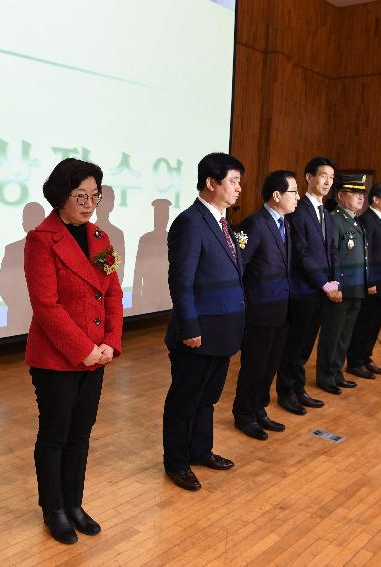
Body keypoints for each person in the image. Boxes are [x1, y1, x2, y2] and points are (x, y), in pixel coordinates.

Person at [23, 158, 124, 544]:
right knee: (55, 436)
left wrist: (110, 344)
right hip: (57, 360)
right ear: (60, 194)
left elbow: (112, 293)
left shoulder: (101, 238)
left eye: (94, 195)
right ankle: (54, 510)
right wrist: (83, 350)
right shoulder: (41, 239)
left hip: (96, 355)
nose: (88, 203)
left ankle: (74, 502)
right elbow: (45, 306)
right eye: (80, 195)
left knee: (81, 435)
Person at [162, 152, 246, 492]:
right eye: (233, 181)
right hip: (198, 332)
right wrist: (190, 328)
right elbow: (181, 281)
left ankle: (200, 450)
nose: (239, 188)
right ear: (211, 183)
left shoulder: (224, 223)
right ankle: (176, 463)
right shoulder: (190, 222)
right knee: (185, 399)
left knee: (208, 397)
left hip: (224, 330)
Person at [232, 171, 299, 441]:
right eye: (294, 191)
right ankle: (244, 413)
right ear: (276, 195)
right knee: (254, 366)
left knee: (270, 365)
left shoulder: (286, 223)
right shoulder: (254, 224)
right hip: (259, 310)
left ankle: (260, 409)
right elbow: (240, 267)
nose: (298, 197)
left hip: (281, 308)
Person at [275, 157, 340, 416]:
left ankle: (299, 389)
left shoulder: (326, 212)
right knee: (293, 344)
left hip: (322, 290)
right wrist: (322, 282)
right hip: (303, 290)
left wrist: (335, 281)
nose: (327, 182)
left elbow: (333, 250)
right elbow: (301, 253)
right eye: (323, 175)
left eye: (332, 178)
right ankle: (286, 392)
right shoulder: (297, 210)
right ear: (309, 177)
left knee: (306, 345)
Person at [316, 174, 371, 395]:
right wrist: (334, 286)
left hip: (355, 287)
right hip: (340, 289)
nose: (360, 197)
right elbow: (331, 257)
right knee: (332, 334)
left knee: (344, 335)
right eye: (355, 193)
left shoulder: (355, 219)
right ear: (340, 196)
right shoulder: (334, 220)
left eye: (362, 194)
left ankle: (337, 372)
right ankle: (326, 376)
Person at [347, 183, 381, 379]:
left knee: (374, 324)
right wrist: (369, 281)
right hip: (373, 283)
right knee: (364, 324)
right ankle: (355, 361)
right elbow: (365, 255)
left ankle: (366, 357)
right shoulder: (367, 221)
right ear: (376, 199)